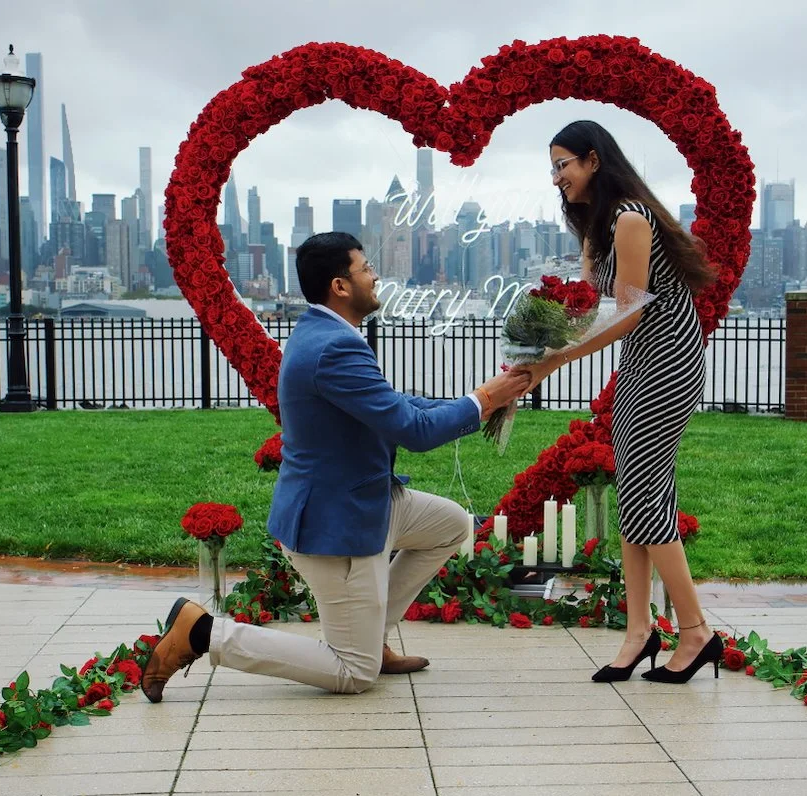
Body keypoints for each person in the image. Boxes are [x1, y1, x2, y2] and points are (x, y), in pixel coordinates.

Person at [143, 232, 531, 700]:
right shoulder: (332, 348)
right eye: (366, 268)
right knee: (353, 674)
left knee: (450, 524)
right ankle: (203, 633)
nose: (375, 276)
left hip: (368, 498)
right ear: (340, 286)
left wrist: (475, 404)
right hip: (338, 523)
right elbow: (414, 430)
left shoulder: (325, 334)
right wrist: (485, 399)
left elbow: (396, 406)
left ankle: (372, 635)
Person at [525, 120, 722, 684]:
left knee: (643, 493)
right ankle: (639, 633)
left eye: (563, 164)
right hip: (637, 361)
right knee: (635, 492)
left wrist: (556, 361)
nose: (557, 177)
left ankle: (696, 632)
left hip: (668, 359)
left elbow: (630, 310)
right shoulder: (594, 229)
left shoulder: (630, 218)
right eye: (553, 167)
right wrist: (540, 341)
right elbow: (591, 307)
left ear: (593, 160)